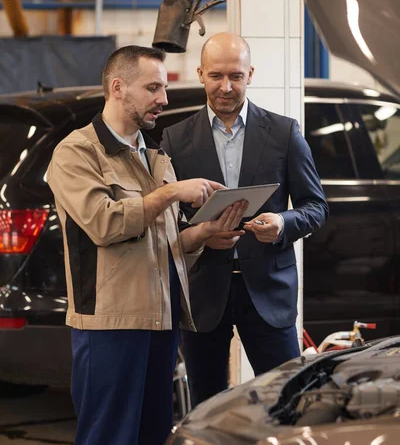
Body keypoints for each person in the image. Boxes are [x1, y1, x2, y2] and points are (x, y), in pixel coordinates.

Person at [47, 45, 247, 445]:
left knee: (154, 435)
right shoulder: (76, 152)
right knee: (110, 436)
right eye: (153, 87)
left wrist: (202, 235)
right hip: (111, 325)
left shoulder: (155, 157)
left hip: (161, 322)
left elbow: (162, 243)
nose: (164, 99)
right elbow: (105, 223)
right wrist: (170, 193)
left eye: (165, 87)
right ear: (118, 88)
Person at [161, 32, 329, 407]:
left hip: (269, 291)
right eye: (216, 75)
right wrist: (201, 234)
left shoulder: (284, 133)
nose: (226, 86)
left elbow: (315, 206)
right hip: (204, 293)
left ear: (250, 74)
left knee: (288, 401)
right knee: (207, 405)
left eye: (235, 76)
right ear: (201, 73)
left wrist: (283, 224)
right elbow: (165, 223)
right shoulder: (174, 140)